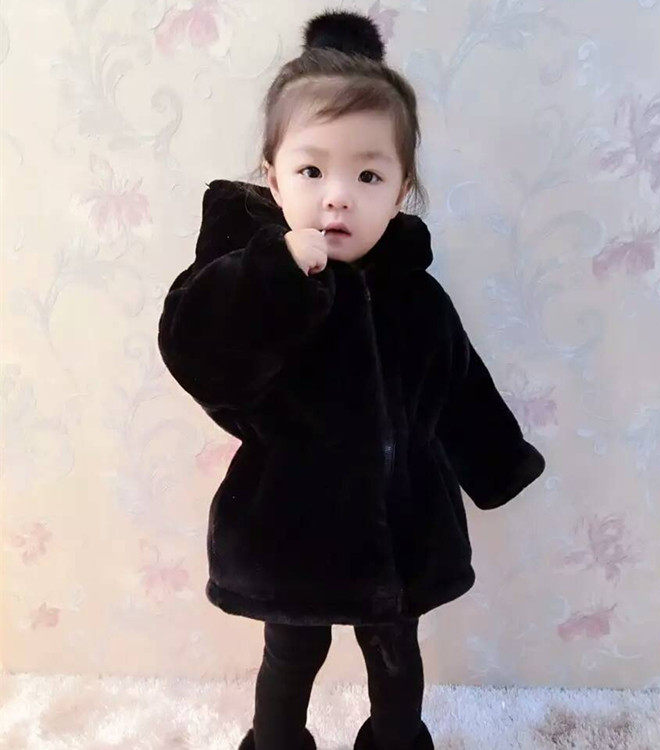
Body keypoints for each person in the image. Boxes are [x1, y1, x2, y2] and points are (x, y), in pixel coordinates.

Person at [157, 10, 546, 750]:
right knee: (291, 651)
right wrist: (276, 276)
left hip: (401, 523)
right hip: (289, 520)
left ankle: (396, 741)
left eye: (368, 175)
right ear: (272, 179)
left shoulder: (415, 297)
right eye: (312, 171)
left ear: (400, 192)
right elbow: (201, 355)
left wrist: (497, 462)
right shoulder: (250, 286)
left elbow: (459, 385)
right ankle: (276, 741)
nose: (338, 195)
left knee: (396, 656)